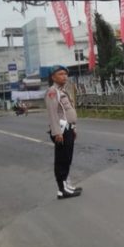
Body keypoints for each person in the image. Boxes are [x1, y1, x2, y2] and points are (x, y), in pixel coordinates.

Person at [45, 66, 82, 199]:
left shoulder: (62, 91)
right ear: (53, 77)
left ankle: (67, 186)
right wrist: (57, 133)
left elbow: (66, 112)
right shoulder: (53, 92)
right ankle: (62, 190)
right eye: (60, 74)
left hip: (68, 129)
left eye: (65, 74)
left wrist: (73, 128)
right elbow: (53, 113)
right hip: (61, 131)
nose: (64, 76)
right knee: (61, 160)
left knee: (67, 159)